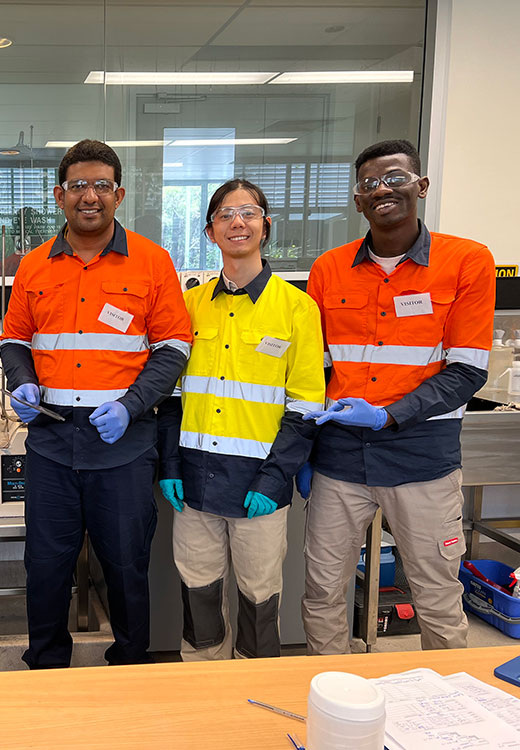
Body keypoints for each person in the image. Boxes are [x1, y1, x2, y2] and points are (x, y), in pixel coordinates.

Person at [0, 139, 193, 668]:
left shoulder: (152, 263)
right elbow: (15, 339)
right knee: (44, 565)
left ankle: (129, 667)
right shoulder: (34, 266)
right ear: (59, 195)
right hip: (52, 440)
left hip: (123, 443)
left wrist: (132, 407)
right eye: (79, 186)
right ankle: (45, 664)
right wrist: (20, 381)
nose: (90, 196)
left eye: (102, 185)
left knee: (127, 566)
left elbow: (174, 346)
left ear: (120, 194)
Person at [301, 139, 495, 653]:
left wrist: (388, 416)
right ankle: (330, 690)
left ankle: (448, 709)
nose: (382, 190)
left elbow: (468, 371)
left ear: (421, 186)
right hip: (339, 461)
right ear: (357, 200)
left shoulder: (467, 261)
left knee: (435, 593)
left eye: (395, 178)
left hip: (422, 459)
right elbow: (314, 370)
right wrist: (301, 448)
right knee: (322, 591)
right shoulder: (328, 269)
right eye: (369, 184)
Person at [156, 180, 324, 660]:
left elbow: (306, 407)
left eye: (249, 213)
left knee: (258, 601)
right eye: (226, 214)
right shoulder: (189, 308)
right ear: (210, 231)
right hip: (194, 486)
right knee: (199, 598)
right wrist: (169, 466)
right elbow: (169, 398)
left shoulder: (297, 309)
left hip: (259, 487)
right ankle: (203, 693)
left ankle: (253, 697)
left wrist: (275, 480)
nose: (238, 222)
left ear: (265, 226)